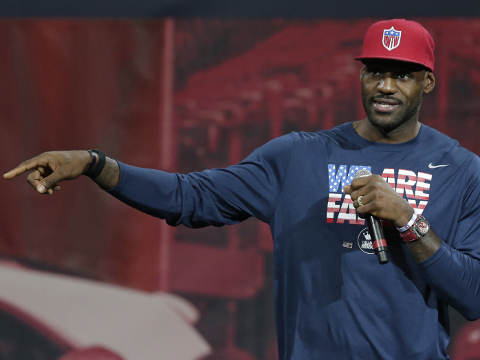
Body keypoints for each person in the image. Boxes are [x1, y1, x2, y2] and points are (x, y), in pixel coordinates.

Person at [4, 19, 480, 360]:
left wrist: (410, 222)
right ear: (360, 75)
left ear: (428, 83)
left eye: (401, 74)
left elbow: (473, 296)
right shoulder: (298, 156)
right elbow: (188, 197)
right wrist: (94, 163)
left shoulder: (461, 170)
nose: (385, 85)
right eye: (375, 70)